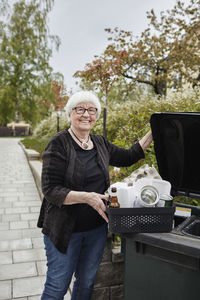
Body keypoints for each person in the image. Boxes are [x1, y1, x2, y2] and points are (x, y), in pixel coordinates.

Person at [37, 90, 153, 300]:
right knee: (57, 286)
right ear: (70, 114)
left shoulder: (100, 142)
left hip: (96, 230)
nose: (86, 114)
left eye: (91, 110)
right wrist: (88, 197)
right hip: (64, 230)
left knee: (87, 282)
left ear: (97, 116)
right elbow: (50, 189)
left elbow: (128, 156)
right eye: (80, 109)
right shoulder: (59, 143)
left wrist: (153, 132)